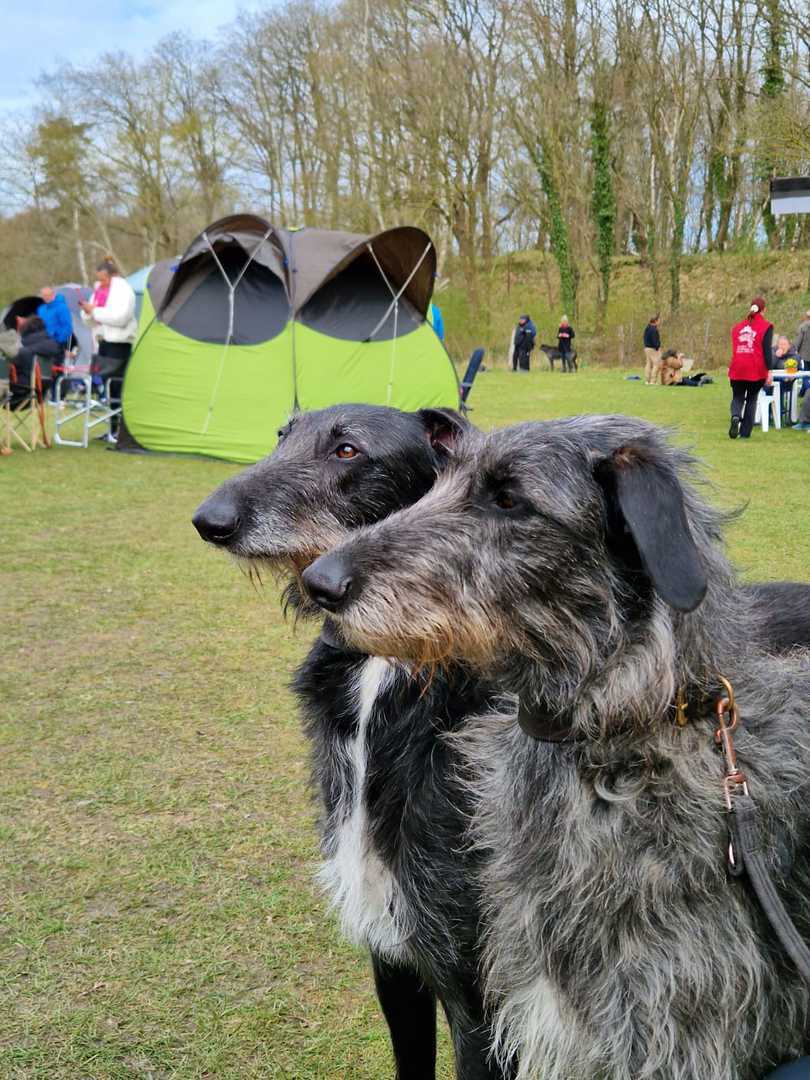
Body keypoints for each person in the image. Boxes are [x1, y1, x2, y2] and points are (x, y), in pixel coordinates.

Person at [79, 258, 137, 438]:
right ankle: (112, 429)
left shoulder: (124, 291)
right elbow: (90, 320)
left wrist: (95, 311)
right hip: (102, 341)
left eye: (104, 279)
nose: (101, 282)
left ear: (114, 276)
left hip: (119, 343)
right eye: (99, 279)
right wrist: (88, 313)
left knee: (117, 386)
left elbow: (121, 318)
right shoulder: (99, 291)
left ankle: (120, 430)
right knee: (107, 388)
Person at [728, 297, 773, 439]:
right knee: (752, 399)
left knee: (737, 396)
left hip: (737, 367)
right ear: (764, 310)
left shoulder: (737, 327)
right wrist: (769, 370)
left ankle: (735, 416)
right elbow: (767, 351)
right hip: (755, 369)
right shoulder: (766, 326)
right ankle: (745, 432)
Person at [643, 315, 661, 385]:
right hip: (652, 349)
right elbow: (655, 341)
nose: (659, 322)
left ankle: (647, 380)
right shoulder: (654, 329)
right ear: (655, 321)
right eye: (658, 321)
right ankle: (653, 381)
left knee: (648, 364)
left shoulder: (647, 328)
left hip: (646, 348)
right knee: (656, 364)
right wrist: (657, 347)